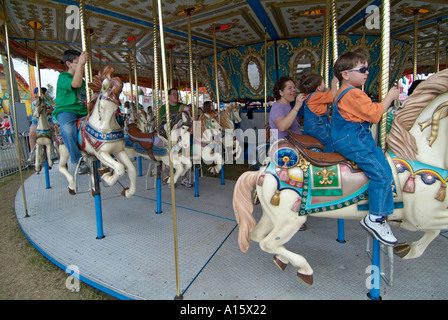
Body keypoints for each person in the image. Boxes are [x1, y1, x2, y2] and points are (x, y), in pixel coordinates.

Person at [327, 51, 399, 246]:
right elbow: (374, 115)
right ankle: (375, 218)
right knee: (381, 175)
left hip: (357, 139)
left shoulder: (345, 91)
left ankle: (386, 211)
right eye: (363, 69)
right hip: (354, 140)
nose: (367, 72)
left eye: (367, 68)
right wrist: (390, 97)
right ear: (346, 74)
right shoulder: (352, 93)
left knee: (381, 160)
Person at [52, 49, 90, 174]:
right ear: (69, 64)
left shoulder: (84, 81)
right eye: (78, 62)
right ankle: (78, 160)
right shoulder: (63, 77)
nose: (82, 64)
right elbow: (76, 83)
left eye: (82, 63)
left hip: (82, 111)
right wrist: (81, 64)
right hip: (66, 111)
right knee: (68, 128)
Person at [298, 74, 338, 145]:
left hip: (314, 125)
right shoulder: (316, 95)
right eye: (324, 83)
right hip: (317, 126)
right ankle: (328, 155)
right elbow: (333, 96)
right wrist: (334, 83)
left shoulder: (312, 95)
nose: (325, 85)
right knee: (331, 141)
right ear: (319, 88)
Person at [269, 76, 306, 140]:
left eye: (294, 87)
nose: (294, 90)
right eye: (290, 88)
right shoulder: (278, 107)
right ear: (281, 92)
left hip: (295, 140)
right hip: (288, 144)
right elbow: (282, 127)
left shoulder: (287, 105)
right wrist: (296, 107)